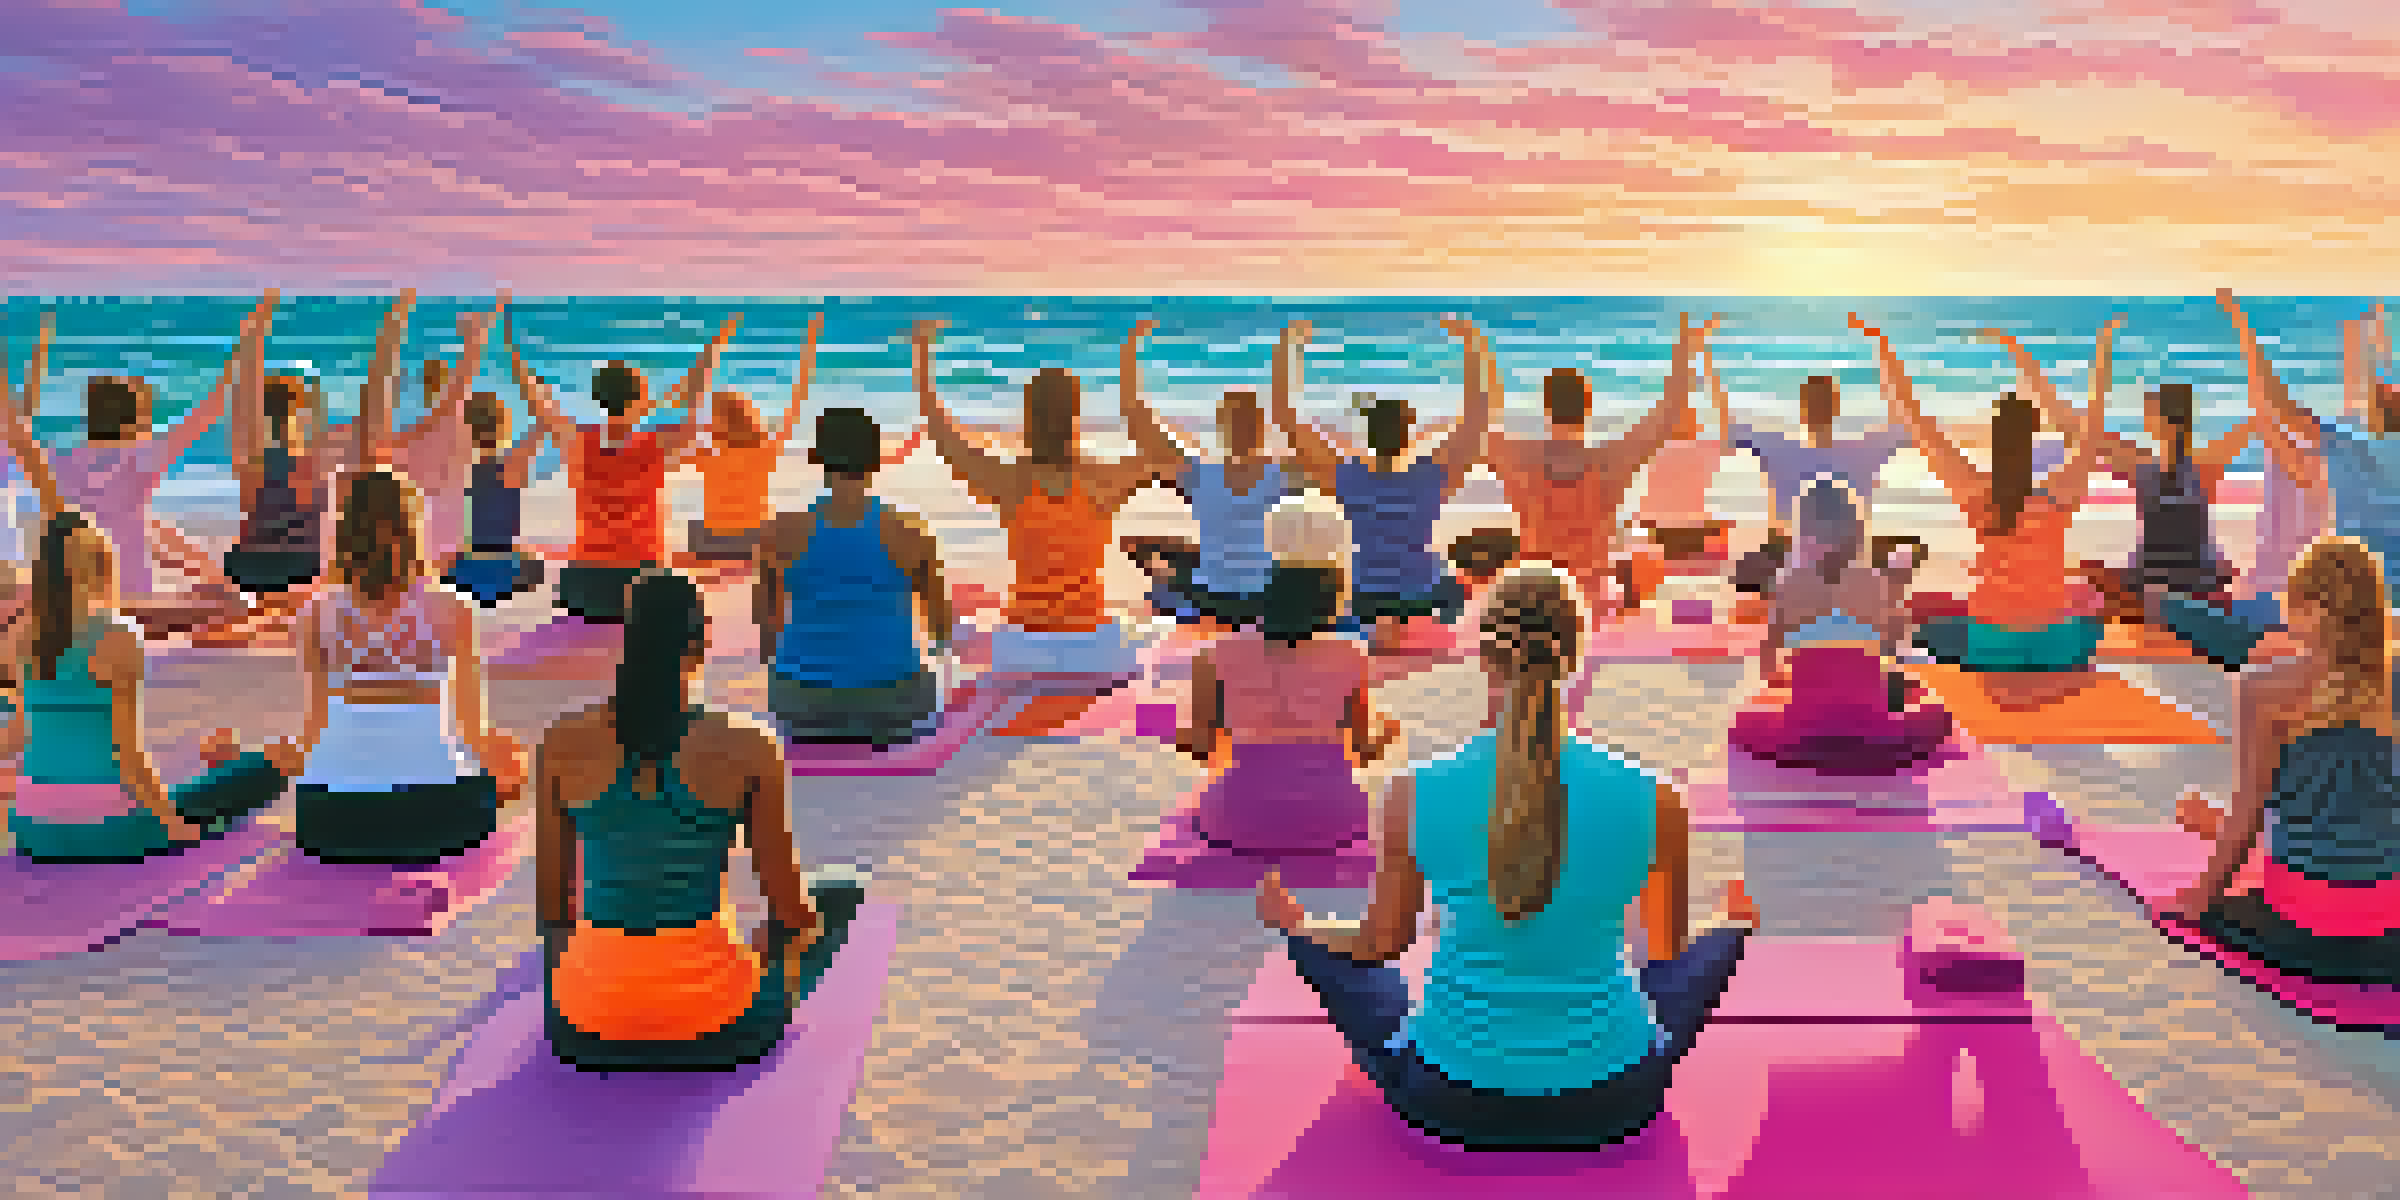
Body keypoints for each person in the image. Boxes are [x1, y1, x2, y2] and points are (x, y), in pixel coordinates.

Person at [1254, 563, 1758, 1149]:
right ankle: (1735, 924)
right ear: (1573, 658)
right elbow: (1663, 955)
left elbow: (1381, 944)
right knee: (1709, 952)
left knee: (1346, 967)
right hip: (1615, 1098)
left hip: (1450, 1096)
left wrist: (1304, 926)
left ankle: (1295, 929)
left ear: (1483, 658)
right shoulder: (1657, 800)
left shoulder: (1413, 792)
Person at [539, 569, 868, 1070]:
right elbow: (789, 909)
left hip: (586, 1029)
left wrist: (595, 980)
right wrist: (782, 943)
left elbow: (552, 908)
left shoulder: (561, 744)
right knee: (841, 894)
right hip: (718, 1027)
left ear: (629, 642)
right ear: (701, 644)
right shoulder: (748, 747)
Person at [0, 349, 289, 861]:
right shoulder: (114, 638)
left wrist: (23, 375)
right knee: (257, 774)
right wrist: (175, 828)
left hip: (30, 831)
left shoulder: (23, 634)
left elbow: (21, 440)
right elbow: (130, 759)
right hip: (108, 825)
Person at [2164, 536, 2399, 985]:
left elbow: (2249, 813)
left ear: (2306, 608)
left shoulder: (2264, 686)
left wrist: (2201, 898)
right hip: (2388, 916)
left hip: (2302, 917)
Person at [269, 464, 526, 864]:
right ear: (412, 532)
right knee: (501, 772)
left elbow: (315, 724)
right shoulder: (453, 607)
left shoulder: (314, 615)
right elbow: (473, 730)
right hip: (431, 816)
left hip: (331, 821)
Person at [914, 319, 1178, 679]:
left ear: (1028, 418)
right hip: (1093, 651)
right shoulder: (1103, 480)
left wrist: (922, 353)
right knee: (1146, 626)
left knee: (959, 624)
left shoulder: (1008, 481)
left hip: (1023, 650)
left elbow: (941, 435)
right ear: (1076, 418)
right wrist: (1128, 364)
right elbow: (1167, 455)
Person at [1164, 495, 1400, 884]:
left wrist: (1187, 730)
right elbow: (1364, 752)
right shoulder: (1350, 654)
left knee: (1210, 798)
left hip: (1238, 821)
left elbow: (1199, 747)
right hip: (1334, 820)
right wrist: (1388, 732)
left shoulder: (1213, 655)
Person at [1876, 314, 2114, 673]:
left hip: (1993, 642)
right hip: (2055, 645)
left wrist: (1885, 350)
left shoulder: (1975, 492)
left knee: (1927, 622)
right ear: (2035, 437)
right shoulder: (2060, 493)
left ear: (1993, 436)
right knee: (2087, 603)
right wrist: (2103, 350)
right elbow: (2094, 426)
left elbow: (1915, 421)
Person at [29, 300, 271, 636]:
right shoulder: (141, 457)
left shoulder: (56, 462)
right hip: (132, 606)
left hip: (71, 606)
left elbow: (17, 431)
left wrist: (37, 359)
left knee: (162, 539)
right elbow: (213, 406)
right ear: (135, 421)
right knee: (235, 600)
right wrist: (249, 339)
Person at [1987, 329, 2257, 623]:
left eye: (2148, 414)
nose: (2144, 420)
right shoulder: (2207, 463)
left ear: (2160, 421)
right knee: (2091, 573)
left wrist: (2023, 358)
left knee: (2084, 574)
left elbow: (2068, 422)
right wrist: (2245, 334)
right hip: (2196, 582)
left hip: (2154, 584)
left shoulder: (2140, 464)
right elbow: (2262, 412)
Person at [1275, 317, 1494, 652]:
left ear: (1368, 436)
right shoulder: (1431, 477)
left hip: (1365, 597)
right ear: (1408, 435)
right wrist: (1473, 346)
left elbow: (1286, 418)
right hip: (1424, 597)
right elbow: (1478, 418)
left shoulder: (1346, 477)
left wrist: (1288, 349)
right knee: (1456, 580)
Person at [753, 407, 955, 747]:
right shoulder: (910, 531)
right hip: (892, 705)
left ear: (816, 459)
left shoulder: (780, 532)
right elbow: (940, 628)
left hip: (802, 706)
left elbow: (767, 625)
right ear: (875, 460)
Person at [1486, 316, 1710, 621]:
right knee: (1643, 558)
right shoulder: (1610, 462)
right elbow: (1668, 414)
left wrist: (1478, 352)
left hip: (1532, 601)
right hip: (1586, 605)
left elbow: (1475, 424)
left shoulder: (1515, 455)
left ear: (1546, 409)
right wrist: (1684, 351)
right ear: (1588, 406)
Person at [519, 316, 737, 624]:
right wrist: (713, 349)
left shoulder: (577, 441)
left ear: (598, 398)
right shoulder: (658, 443)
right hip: (643, 582)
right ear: (641, 398)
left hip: (584, 587)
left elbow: (537, 404)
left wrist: (514, 354)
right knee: (693, 600)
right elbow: (694, 400)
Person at [1733, 479, 1951, 776]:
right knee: (1931, 708)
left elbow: (1767, 665)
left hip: (1804, 725)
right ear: (1857, 531)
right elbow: (1898, 645)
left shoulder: (1789, 584)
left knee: (1749, 716)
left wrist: (1790, 675)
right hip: (1872, 723)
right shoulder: (1876, 581)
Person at [2233, 291, 2400, 601]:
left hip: (2356, 587)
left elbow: (2275, 403)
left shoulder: (2346, 445)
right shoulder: (2348, 444)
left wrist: (2244, 329)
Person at [1120, 351, 1289, 629]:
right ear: (1261, 429)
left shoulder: (1200, 475)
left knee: (1147, 550)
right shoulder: (1280, 477)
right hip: (1263, 598)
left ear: (1222, 428)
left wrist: (1129, 354)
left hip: (1209, 598)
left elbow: (1138, 423)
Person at [686, 314, 829, 569]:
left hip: (710, 541)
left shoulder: (706, 455)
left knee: (695, 526)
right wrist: (809, 343)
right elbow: (799, 395)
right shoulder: (765, 453)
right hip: (756, 540)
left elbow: (695, 391)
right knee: (784, 523)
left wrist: (717, 342)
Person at [1621, 335, 1739, 612]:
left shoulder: (1651, 449)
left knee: (1633, 525)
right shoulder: (1705, 449)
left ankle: (1637, 605)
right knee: (1728, 525)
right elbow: (1725, 417)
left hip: (1659, 537)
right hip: (1699, 538)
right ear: (1696, 426)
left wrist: (1682, 354)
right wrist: (1708, 363)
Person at [221, 374, 333, 605]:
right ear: (301, 414)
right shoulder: (313, 463)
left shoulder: (252, 462)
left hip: (251, 568)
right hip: (301, 568)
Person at [442, 380, 551, 608]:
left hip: (471, 568)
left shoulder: (462, 465)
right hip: (506, 568)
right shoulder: (513, 464)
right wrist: (535, 388)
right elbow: (544, 422)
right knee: (536, 565)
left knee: (451, 563)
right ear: (504, 426)